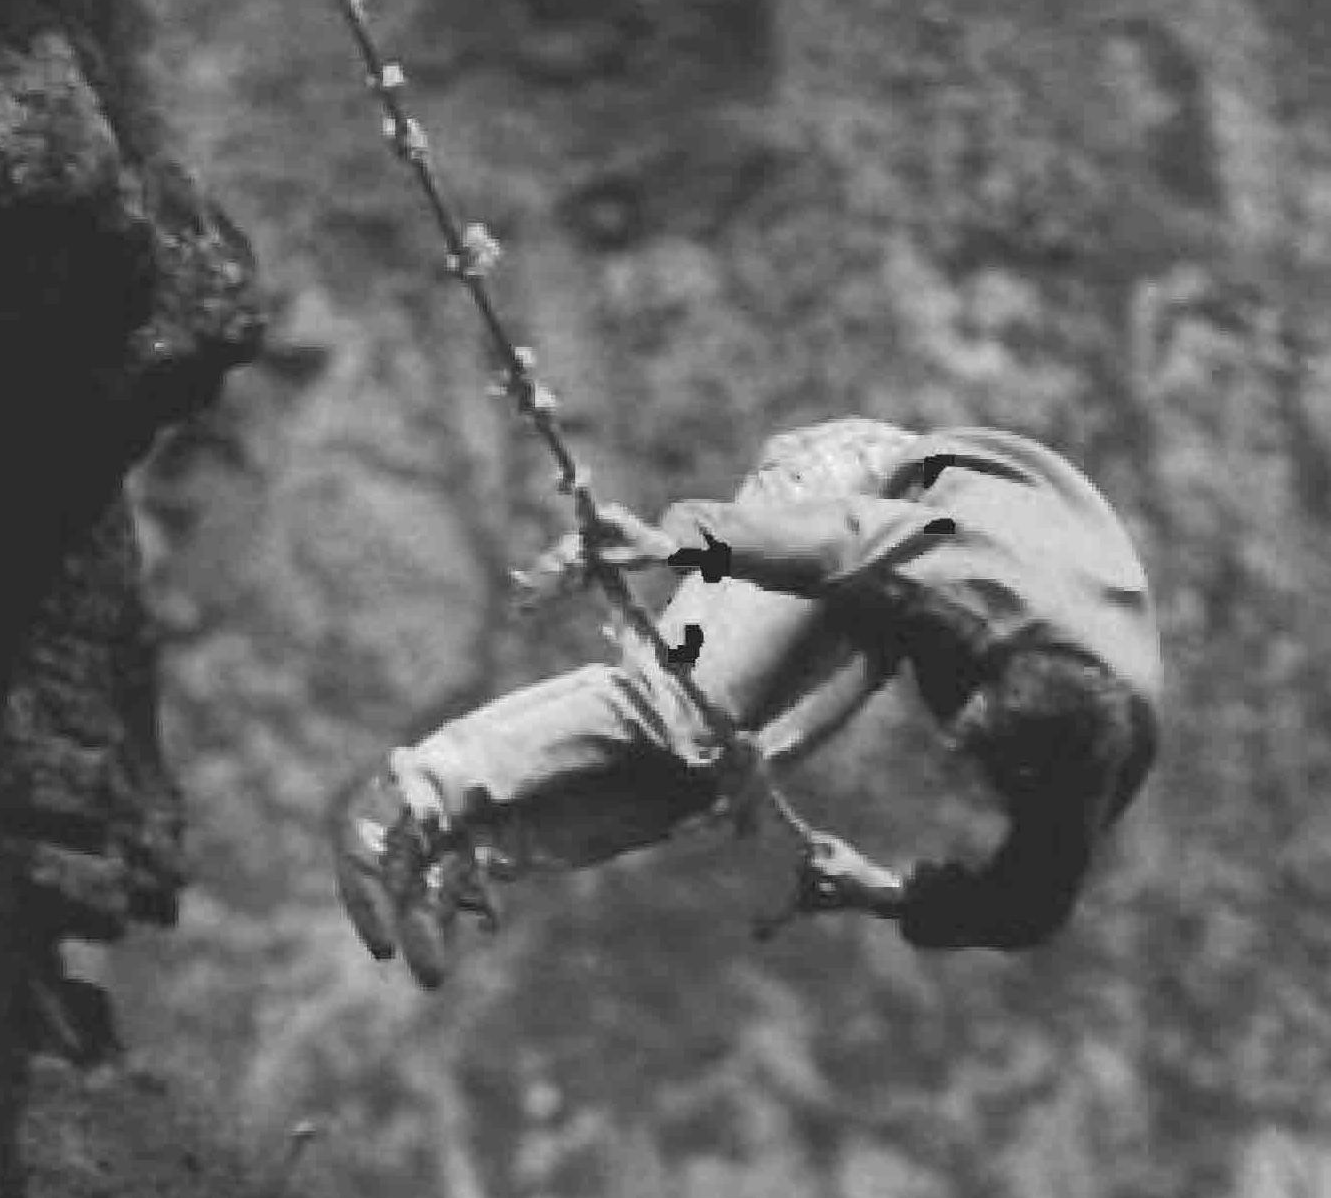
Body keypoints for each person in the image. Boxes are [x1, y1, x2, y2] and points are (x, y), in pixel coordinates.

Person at [332, 416, 1162, 988]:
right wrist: (677, 540)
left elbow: (1026, 907)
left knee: (715, 776)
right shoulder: (974, 591)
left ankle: (460, 861)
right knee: (687, 706)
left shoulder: (1090, 774)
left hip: (895, 595)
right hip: (859, 488)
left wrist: (880, 890)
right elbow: (836, 547)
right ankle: (407, 802)